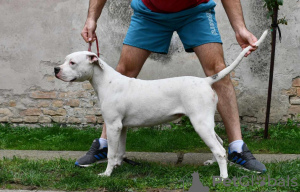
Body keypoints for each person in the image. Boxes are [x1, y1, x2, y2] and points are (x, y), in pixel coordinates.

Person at [75, 0, 266, 173]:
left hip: (195, 11)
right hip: (149, 12)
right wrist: (92, 18)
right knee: (123, 71)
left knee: (218, 71)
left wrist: (240, 27)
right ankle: (105, 145)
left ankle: (237, 149)